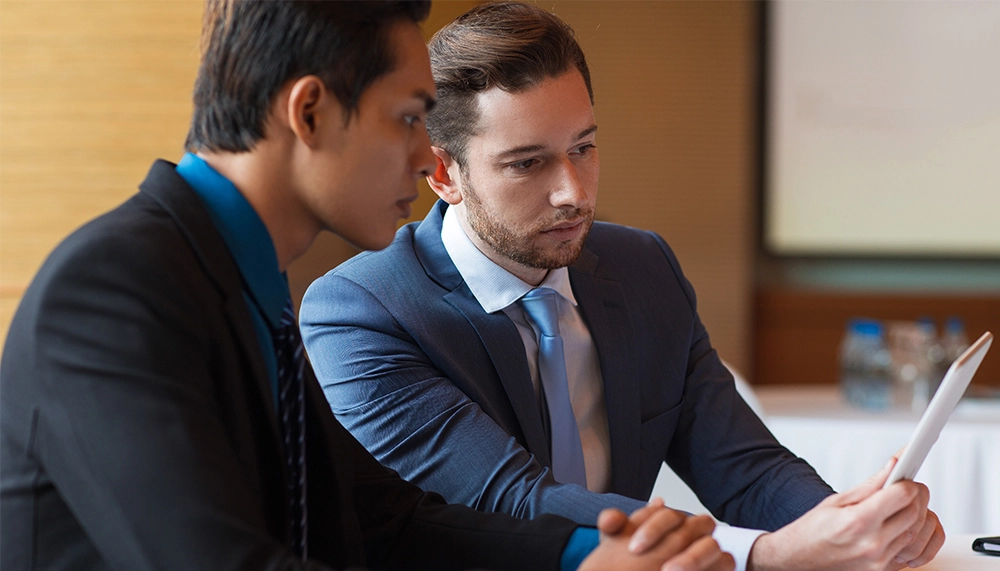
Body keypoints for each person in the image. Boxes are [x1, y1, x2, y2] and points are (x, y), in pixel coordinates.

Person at [0, 2, 735, 570]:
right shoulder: (113, 290)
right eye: (409, 118)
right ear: (310, 112)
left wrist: (583, 554)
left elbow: (385, 518)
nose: (426, 158)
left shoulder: (242, 279)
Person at [298, 2, 945, 571]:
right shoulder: (361, 311)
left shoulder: (643, 268)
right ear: (443, 174)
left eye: (583, 148)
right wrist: (764, 555)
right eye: (528, 163)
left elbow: (747, 470)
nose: (572, 192)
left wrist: (850, 526)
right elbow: (516, 500)